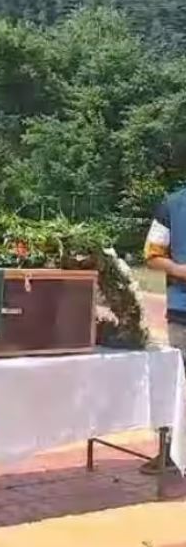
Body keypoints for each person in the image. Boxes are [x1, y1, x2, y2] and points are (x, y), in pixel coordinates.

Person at [141, 187, 186, 474]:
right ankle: (170, 451)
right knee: (178, 384)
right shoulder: (173, 204)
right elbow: (152, 254)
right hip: (182, 312)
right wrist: (181, 271)